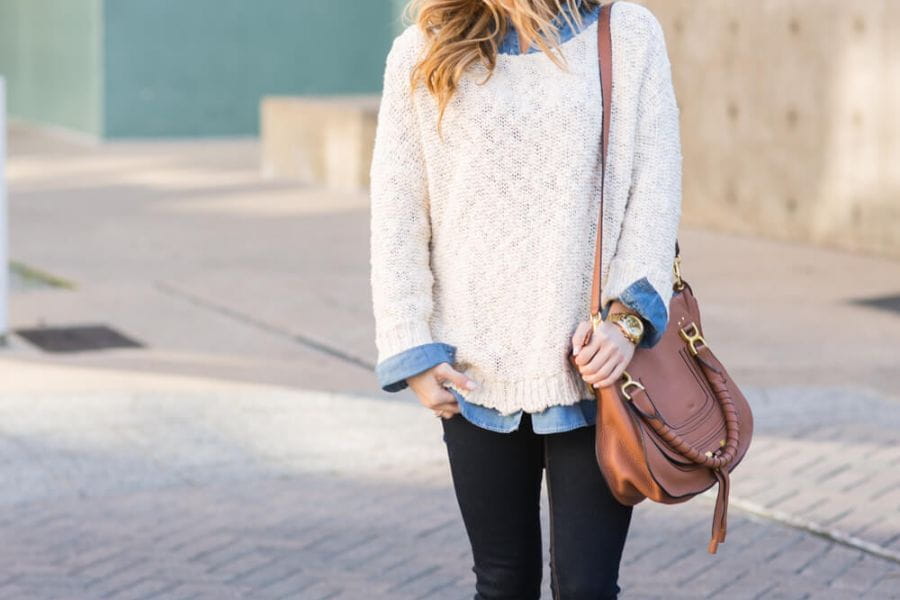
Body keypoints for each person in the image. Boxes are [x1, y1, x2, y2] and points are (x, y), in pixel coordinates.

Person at [369, 0, 682, 597]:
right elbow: (399, 212)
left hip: (594, 371)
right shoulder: (422, 49)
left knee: (586, 588)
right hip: (473, 370)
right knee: (503, 582)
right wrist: (411, 345)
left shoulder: (628, 34)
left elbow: (655, 188)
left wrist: (627, 323)